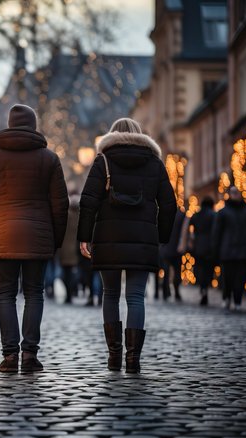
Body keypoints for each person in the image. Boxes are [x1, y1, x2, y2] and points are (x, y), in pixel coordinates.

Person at [0, 104, 69, 373]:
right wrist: (56, 240)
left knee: (5, 295)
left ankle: (9, 356)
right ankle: (29, 354)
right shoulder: (49, 159)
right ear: (34, 126)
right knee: (34, 293)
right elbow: (59, 205)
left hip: (1, 235)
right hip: (37, 236)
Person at [77, 118, 176, 374]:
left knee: (110, 294)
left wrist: (84, 237)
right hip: (143, 240)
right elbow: (169, 204)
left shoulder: (103, 161)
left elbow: (88, 202)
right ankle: (133, 359)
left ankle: (113, 358)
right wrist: (161, 237)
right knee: (135, 296)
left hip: (107, 238)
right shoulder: (154, 163)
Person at [212, 187, 246, 310]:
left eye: (237, 193)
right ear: (230, 194)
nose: (236, 195)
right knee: (227, 278)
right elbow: (217, 233)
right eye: (233, 193)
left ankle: (237, 300)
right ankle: (226, 297)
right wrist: (216, 250)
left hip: (243, 251)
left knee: (240, 278)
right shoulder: (223, 212)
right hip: (228, 251)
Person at [188, 196, 217, 305]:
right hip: (209, 246)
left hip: (198, 246)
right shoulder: (213, 215)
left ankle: (202, 287)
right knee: (208, 269)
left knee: (199, 268)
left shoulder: (196, 215)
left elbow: (190, 227)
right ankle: (205, 287)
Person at [59, 193, 80, 304]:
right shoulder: (80, 217)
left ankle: (68, 295)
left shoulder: (65, 216)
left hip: (65, 250)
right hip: (76, 250)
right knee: (75, 274)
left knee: (66, 275)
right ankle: (72, 293)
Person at [160, 209, 185, 301]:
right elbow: (184, 231)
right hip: (176, 248)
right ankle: (176, 291)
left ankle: (165, 292)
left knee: (166, 271)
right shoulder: (182, 214)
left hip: (165, 247)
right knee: (177, 272)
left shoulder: (163, 213)